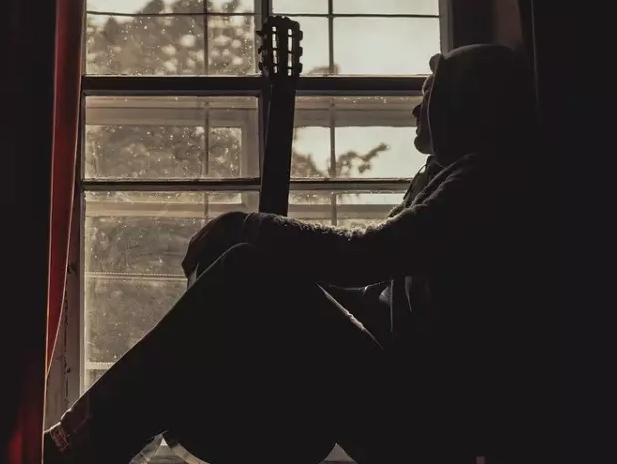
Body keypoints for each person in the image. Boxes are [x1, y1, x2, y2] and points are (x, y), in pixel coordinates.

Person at [44, 43, 548, 464]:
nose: (417, 110)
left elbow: (368, 257)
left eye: (430, 94)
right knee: (246, 270)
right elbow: (377, 295)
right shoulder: (451, 177)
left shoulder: (486, 179)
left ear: (465, 101)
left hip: (430, 426)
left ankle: (80, 442)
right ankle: (108, 434)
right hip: (412, 401)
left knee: (246, 267)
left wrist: (251, 229)